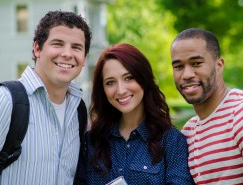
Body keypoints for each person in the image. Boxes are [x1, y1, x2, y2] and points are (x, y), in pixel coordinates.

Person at [0, 10, 91, 184]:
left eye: (76, 47)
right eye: (58, 44)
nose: (67, 54)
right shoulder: (4, 102)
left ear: (84, 58)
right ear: (37, 48)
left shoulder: (78, 111)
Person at [170, 28, 243, 184]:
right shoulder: (188, 131)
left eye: (196, 63)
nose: (187, 74)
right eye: (178, 67)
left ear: (219, 65)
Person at [75, 43, 195, 184]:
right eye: (110, 82)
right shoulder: (90, 142)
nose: (121, 90)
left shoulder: (171, 141)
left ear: (143, 79)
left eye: (128, 78)